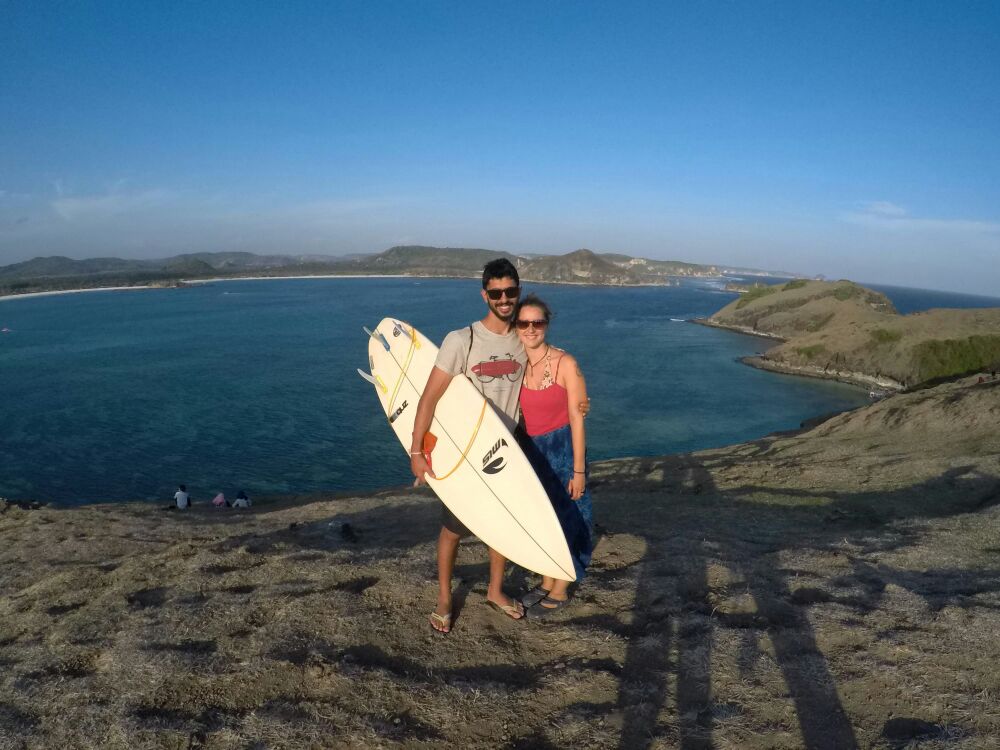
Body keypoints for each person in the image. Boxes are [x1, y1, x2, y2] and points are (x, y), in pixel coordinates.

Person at [410, 258, 529, 633]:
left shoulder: (526, 337)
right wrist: (416, 451)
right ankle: (445, 597)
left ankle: (495, 590)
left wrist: (576, 401)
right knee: (453, 528)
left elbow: (549, 375)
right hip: (467, 453)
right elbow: (429, 398)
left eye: (510, 291)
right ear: (484, 295)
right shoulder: (462, 340)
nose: (504, 299)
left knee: (502, 524)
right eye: (496, 293)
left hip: (509, 449)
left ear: (518, 291)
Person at [514, 294, 594, 613]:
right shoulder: (515, 363)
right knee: (542, 519)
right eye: (523, 323)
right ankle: (547, 579)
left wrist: (578, 470)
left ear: (547, 324)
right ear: (516, 327)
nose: (531, 329)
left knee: (568, 518)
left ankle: (560, 588)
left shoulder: (566, 364)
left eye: (538, 322)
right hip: (530, 452)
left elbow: (577, 418)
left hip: (562, 450)